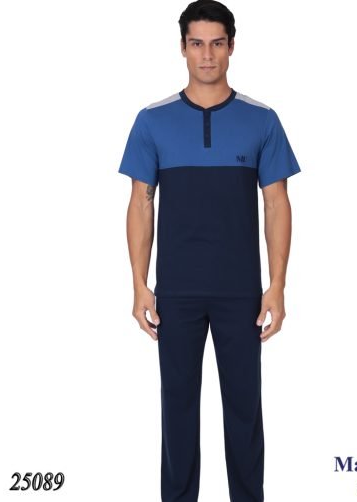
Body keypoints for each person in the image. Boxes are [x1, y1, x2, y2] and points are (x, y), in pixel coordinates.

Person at [118, 1, 301, 500]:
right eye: (196, 43)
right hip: (175, 293)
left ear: (232, 47)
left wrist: (277, 286)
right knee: (177, 411)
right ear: (182, 48)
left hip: (241, 293)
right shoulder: (152, 120)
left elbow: (277, 204)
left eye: (217, 43)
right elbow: (140, 203)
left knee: (245, 411)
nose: (206, 55)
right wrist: (139, 284)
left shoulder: (262, 120)